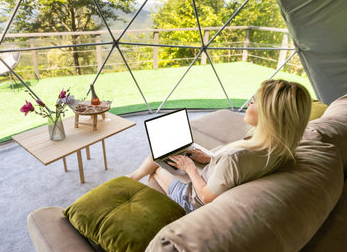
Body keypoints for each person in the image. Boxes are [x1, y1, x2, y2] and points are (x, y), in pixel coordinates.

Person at [128, 79, 312, 213]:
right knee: (171, 152)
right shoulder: (283, 148)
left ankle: (134, 182)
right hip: (213, 175)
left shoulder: (235, 157)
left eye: (253, 102)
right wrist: (211, 159)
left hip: (194, 198)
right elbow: (237, 171)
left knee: (159, 161)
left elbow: (207, 197)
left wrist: (190, 168)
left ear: (268, 114)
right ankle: (134, 177)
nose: (247, 104)